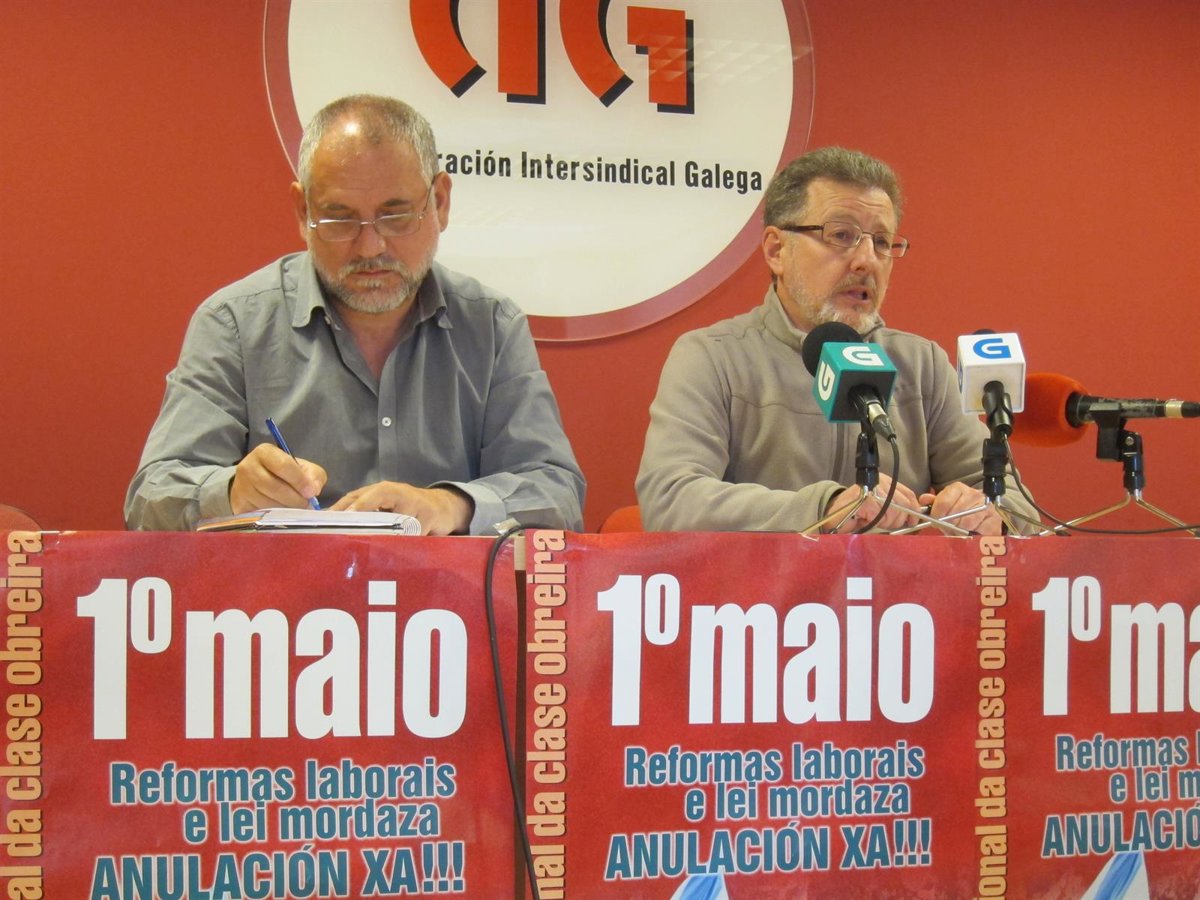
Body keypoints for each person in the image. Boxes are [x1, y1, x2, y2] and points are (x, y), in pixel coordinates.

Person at [126, 94, 584, 534]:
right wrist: (231, 493)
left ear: (440, 203)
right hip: (282, 589)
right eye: (340, 219)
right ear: (303, 211)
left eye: (396, 216)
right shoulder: (235, 324)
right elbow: (150, 498)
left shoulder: (491, 326)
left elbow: (557, 494)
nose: (370, 247)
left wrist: (451, 505)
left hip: (445, 589)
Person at [636, 146, 1036, 535]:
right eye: (841, 235)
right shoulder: (712, 357)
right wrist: (824, 509)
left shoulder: (922, 365)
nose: (867, 261)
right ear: (776, 250)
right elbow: (671, 500)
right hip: (758, 584)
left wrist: (989, 515)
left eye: (882, 242)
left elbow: (1017, 506)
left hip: (891, 584)